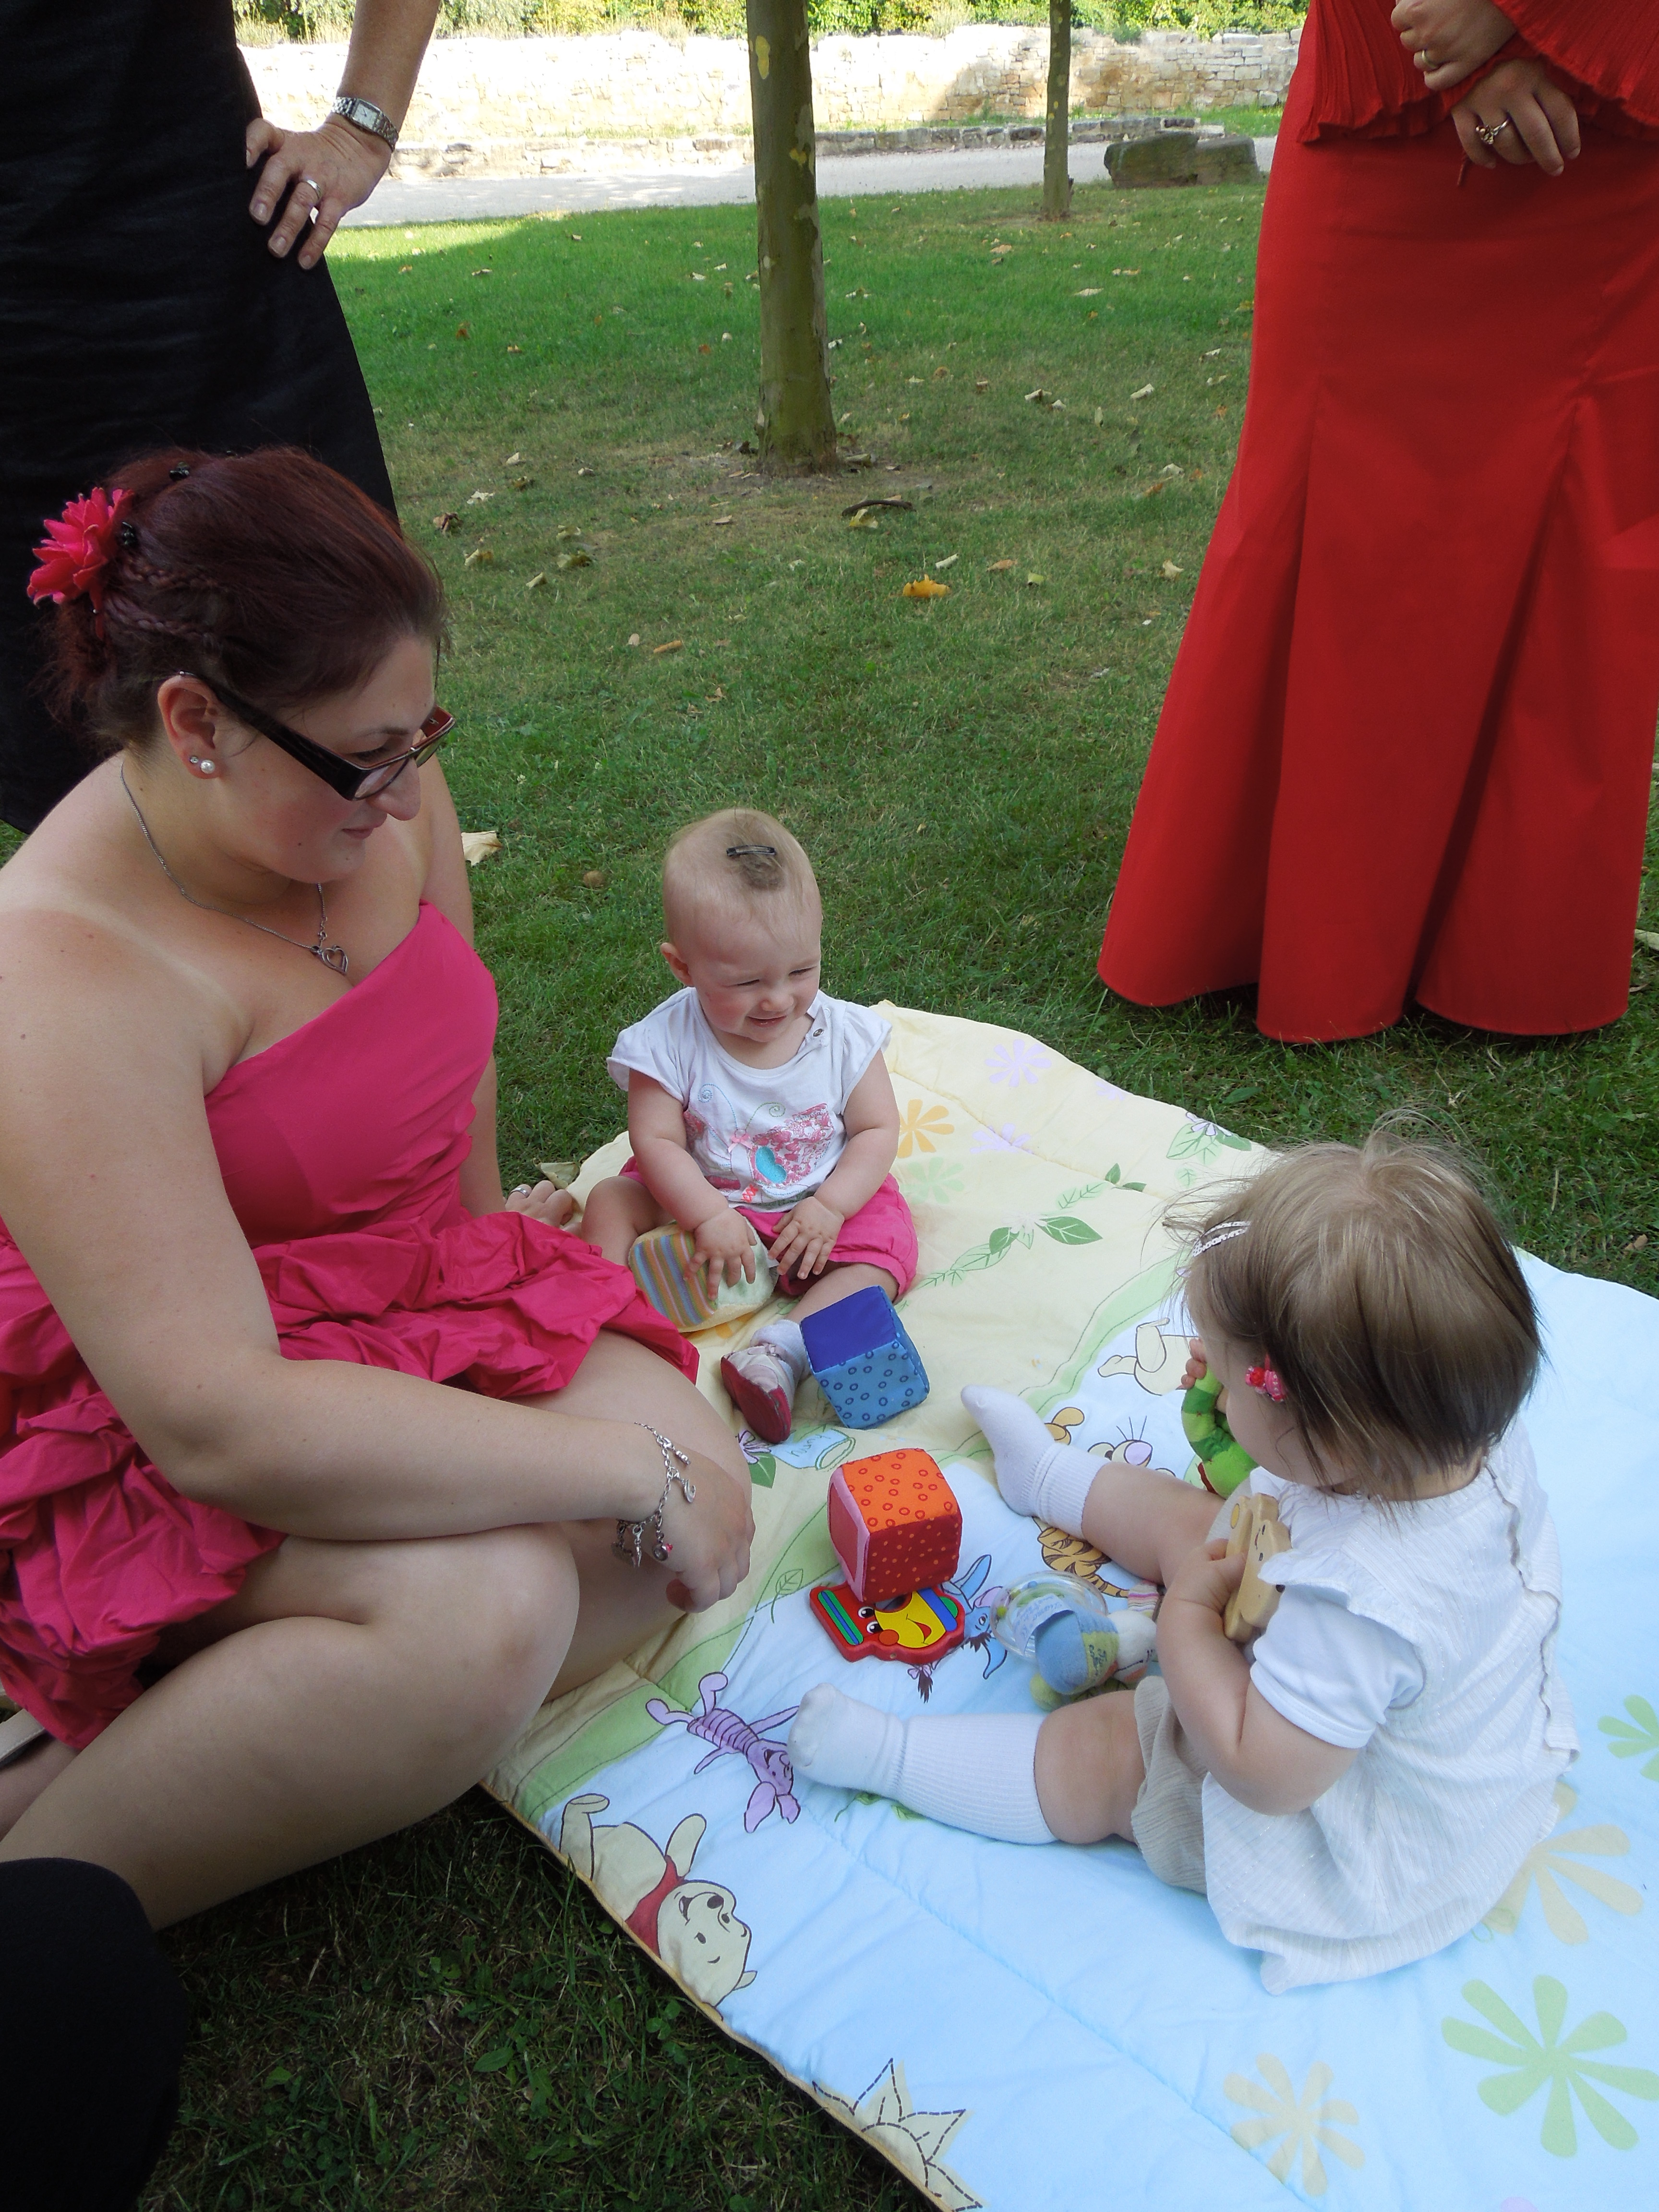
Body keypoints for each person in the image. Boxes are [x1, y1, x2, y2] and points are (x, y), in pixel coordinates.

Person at [0, 447, 753, 1929]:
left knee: (694, 1519)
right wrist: (610, 1469)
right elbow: (216, 1419)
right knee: (496, 1609)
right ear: (196, 723)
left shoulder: (371, 777)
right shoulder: (60, 975)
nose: (407, 796)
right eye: (370, 758)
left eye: (423, 740)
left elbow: (443, 1036)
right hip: (168, 1396)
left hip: (403, 1299)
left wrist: (487, 1240)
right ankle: (45, 1895)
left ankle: (212, 1693)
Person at [789, 1134, 1576, 1993]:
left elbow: (1262, 1773)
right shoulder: (1449, 1438)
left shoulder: (1356, 1609)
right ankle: (1044, 1475)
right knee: (1207, 1525)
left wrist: (1189, 1625)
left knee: (1111, 1753)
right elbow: (1285, 1479)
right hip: (1385, 1697)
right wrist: (1245, 1415)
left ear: (1324, 1436)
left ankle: (891, 1756)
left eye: (1230, 1381)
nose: (1212, 1389)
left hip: (1339, 1819)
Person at [1097, 0, 1659, 1041]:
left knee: (1574, 526)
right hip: (1385, 84)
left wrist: (1529, 22)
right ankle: (1281, 926)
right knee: (1334, 514)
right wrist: (1453, 43)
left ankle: (1510, 953)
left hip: (1613, 124)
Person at [0, 0, 441, 832]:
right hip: (24, 367)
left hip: (208, 282)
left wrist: (362, 127)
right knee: (64, 769)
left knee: (344, 691)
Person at [581, 811, 916, 1445]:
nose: (779, 999)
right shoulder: (665, 1043)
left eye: (801, 971)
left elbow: (876, 1130)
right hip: (697, 1193)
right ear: (683, 967)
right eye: (746, 982)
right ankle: (602, 1319)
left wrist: (832, 1207)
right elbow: (656, 1142)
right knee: (612, 1199)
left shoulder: (844, 1036)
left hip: (811, 1206)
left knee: (886, 1251)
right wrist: (706, 1213)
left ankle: (779, 1351)